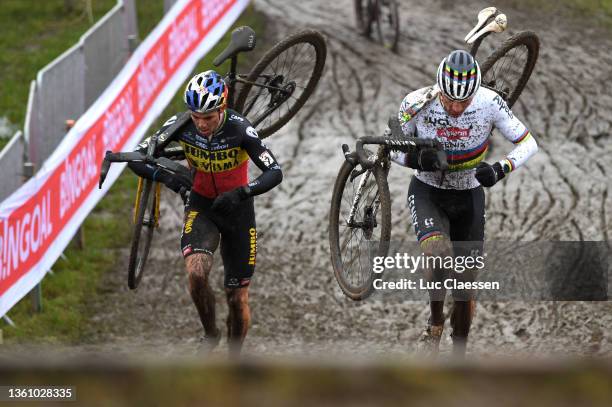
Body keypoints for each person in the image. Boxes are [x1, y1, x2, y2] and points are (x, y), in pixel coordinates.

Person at [391, 50, 538, 356]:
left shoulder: (490, 102)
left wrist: (500, 168)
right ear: (438, 88)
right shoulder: (416, 102)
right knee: (436, 253)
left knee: (464, 288)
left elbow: (528, 143)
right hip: (428, 191)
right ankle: (433, 326)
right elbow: (389, 147)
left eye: (464, 101)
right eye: (449, 100)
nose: (457, 108)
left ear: (476, 93)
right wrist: (415, 158)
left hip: (470, 194)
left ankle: (460, 356)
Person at [128, 70, 283, 356]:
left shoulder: (240, 129)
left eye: (208, 117)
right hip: (202, 207)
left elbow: (274, 172)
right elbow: (137, 159)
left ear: (222, 109)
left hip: (238, 212)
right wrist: (173, 181)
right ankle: (210, 334)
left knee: (237, 299)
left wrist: (242, 192)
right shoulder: (181, 124)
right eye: (196, 116)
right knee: (197, 273)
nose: (200, 123)